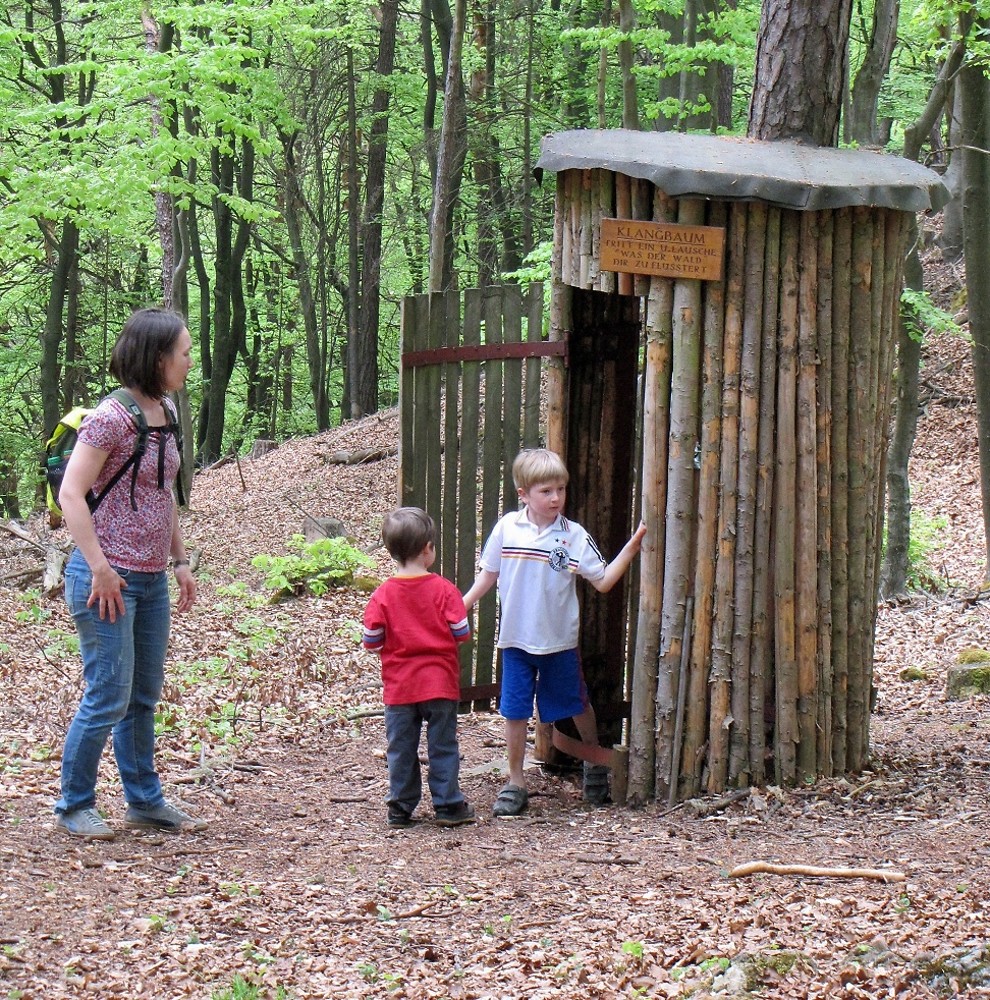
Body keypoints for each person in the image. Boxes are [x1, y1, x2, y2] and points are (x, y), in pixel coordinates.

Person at [54, 307, 205, 841]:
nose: (190, 361)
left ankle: (144, 801)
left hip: (150, 578)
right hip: (106, 578)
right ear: (157, 356)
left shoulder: (165, 409)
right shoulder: (110, 418)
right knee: (107, 695)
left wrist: (180, 560)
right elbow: (71, 494)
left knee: (142, 696)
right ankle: (74, 804)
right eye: (184, 352)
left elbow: (163, 497)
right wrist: (98, 567)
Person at [463, 448, 646, 817]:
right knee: (514, 711)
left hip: (559, 642)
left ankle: (593, 761)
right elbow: (488, 574)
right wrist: (459, 606)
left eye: (560, 489)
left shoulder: (573, 535)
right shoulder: (507, 529)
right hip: (515, 641)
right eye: (546, 491)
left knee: (576, 704)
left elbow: (604, 580)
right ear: (523, 493)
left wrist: (632, 547)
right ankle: (515, 782)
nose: (556, 498)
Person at [362, 507, 476, 829]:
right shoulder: (444, 590)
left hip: (400, 689)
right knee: (442, 745)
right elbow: (462, 633)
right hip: (439, 684)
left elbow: (371, 640)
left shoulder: (382, 595)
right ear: (427, 549)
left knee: (401, 748)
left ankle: (400, 807)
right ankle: (448, 805)